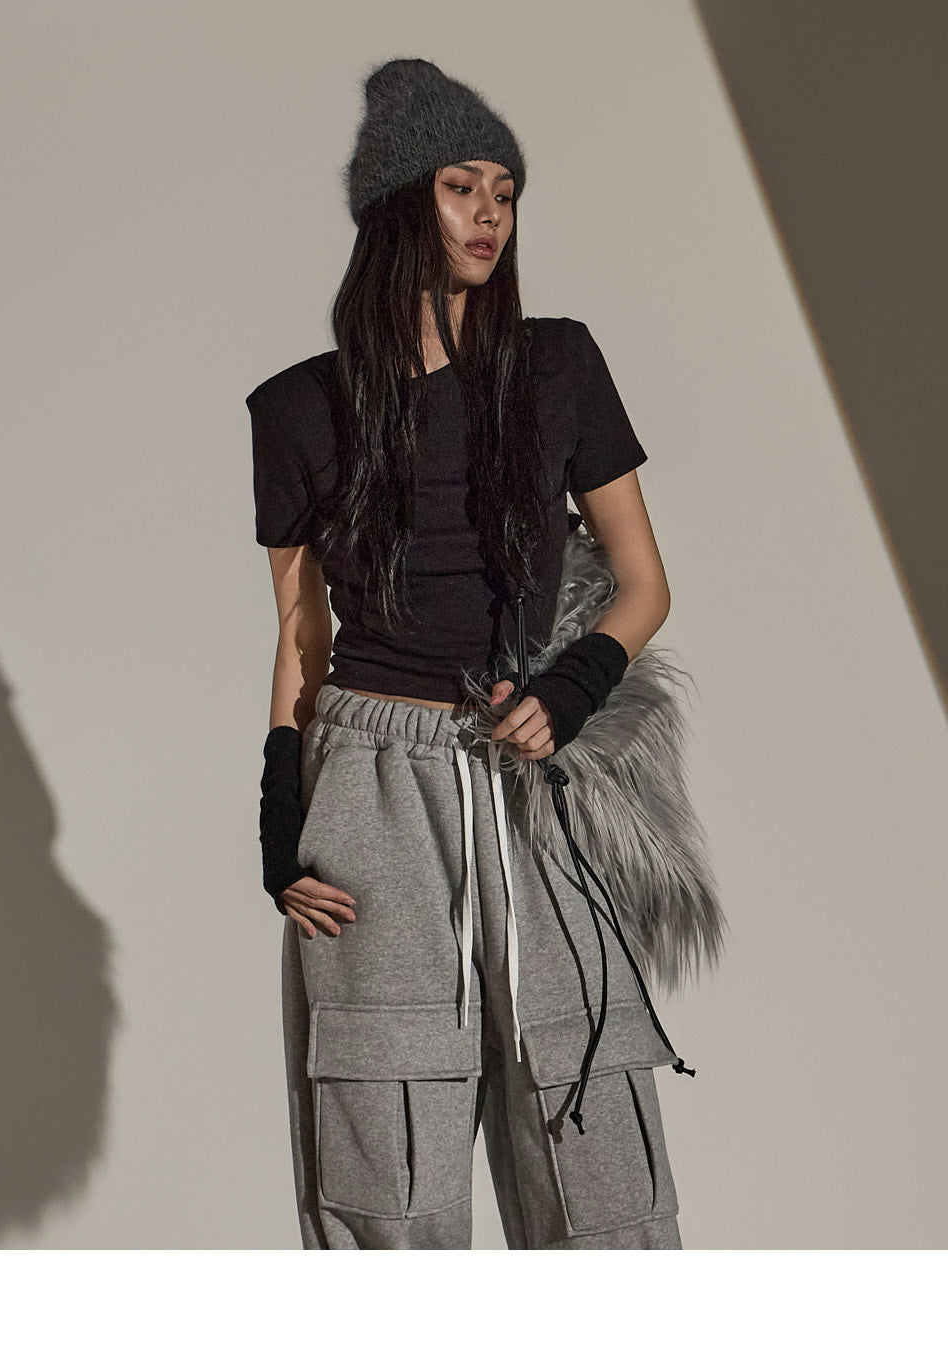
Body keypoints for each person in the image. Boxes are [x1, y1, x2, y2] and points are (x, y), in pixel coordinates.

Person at [246, 57, 723, 1250]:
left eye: (505, 192)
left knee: (593, 1137)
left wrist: (573, 687)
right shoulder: (297, 409)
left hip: (530, 779)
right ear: (397, 205)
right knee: (387, 1158)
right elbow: (301, 634)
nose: (489, 216)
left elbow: (644, 583)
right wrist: (279, 814)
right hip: (370, 786)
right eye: (461, 187)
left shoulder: (557, 365)